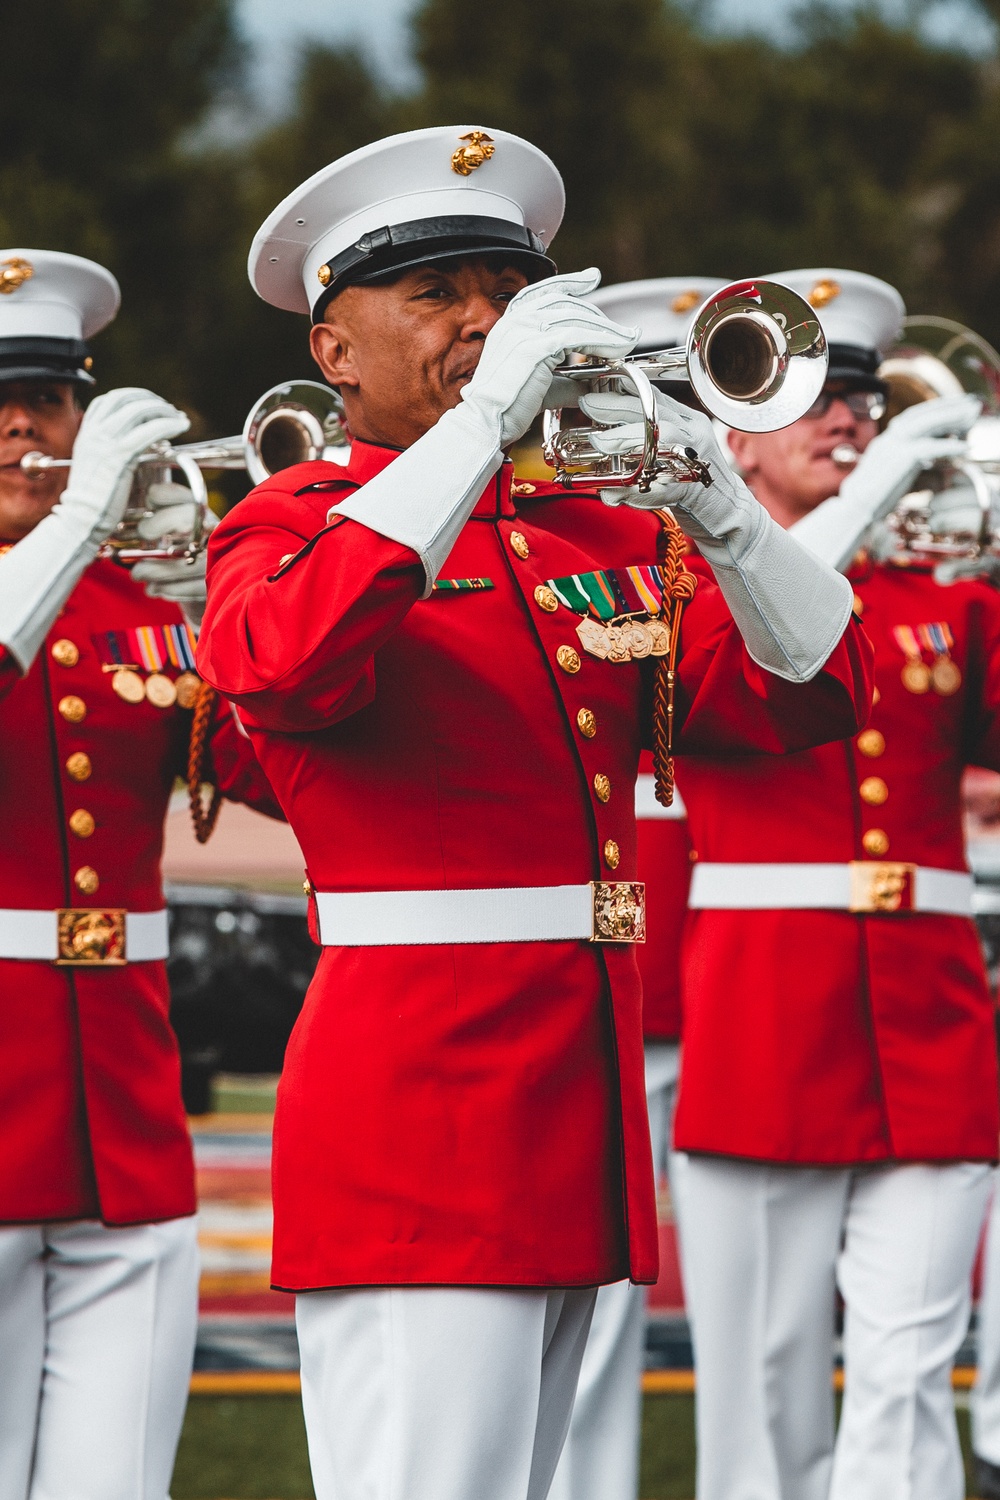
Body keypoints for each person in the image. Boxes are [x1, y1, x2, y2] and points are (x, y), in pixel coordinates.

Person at [196, 130, 872, 1500]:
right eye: (436, 292)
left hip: (578, 1113)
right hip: (419, 1123)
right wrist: (475, 429)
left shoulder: (592, 532)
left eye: (502, 290)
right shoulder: (289, 523)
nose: (482, 320)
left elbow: (811, 697)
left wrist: (718, 498)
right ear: (335, 351)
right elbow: (278, 664)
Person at [645, 266, 996, 1500]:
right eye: (816, 398)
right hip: (766, 1020)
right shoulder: (680, 586)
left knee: (909, 1362)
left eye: (862, 397)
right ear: (730, 428)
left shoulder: (945, 603)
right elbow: (766, 630)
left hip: (933, 1019)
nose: (849, 418)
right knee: (766, 1381)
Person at [0, 249, 280, 1500]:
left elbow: (288, 776)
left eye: (50, 398)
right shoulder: (74, 561)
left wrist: (253, 586)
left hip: (126, 1107)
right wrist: (73, 523)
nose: (22, 422)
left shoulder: (142, 603)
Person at [547, 276, 726, 1500]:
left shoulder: (680, 552)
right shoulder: (562, 548)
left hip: (708, 982)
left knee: (619, 1293)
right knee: (575, 1315)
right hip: (592, 974)